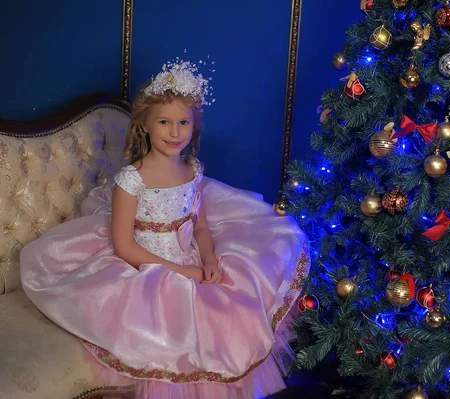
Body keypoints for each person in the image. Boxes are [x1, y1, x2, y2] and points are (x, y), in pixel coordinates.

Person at [20, 59, 309, 399]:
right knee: (175, 334)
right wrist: (181, 271)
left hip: (192, 264)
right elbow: (125, 247)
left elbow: (199, 227)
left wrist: (210, 261)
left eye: (183, 122)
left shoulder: (192, 171)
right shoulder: (131, 180)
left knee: (229, 322)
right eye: (164, 122)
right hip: (147, 269)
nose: (175, 133)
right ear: (143, 125)